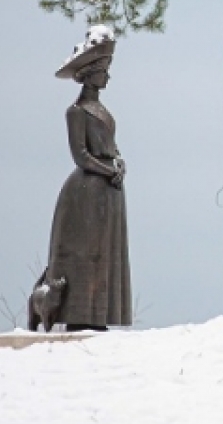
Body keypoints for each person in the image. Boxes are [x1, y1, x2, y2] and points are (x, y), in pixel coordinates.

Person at [42, 25, 132, 331]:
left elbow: (110, 146)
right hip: (86, 192)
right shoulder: (76, 111)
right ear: (90, 73)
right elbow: (81, 155)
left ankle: (101, 314)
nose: (107, 76)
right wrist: (109, 171)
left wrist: (118, 162)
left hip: (108, 191)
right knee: (85, 255)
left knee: (106, 254)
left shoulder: (102, 110)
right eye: (103, 70)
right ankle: (81, 314)